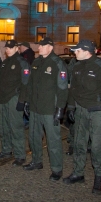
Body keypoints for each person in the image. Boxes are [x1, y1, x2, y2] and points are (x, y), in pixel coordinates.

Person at [63, 39, 101, 194]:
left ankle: (99, 177)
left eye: (78, 50)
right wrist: (71, 107)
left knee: (96, 147)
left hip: (98, 111)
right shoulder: (76, 66)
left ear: (87, 51)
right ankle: (78, 173)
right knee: (79, 143)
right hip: (81, 109)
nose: (75, 53)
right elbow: (72, 89)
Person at [22, 37, 68, 181]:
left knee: (53, 140)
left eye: (41, 46)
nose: (39, 48)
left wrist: (60, 108)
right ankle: (37, 161)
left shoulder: (57, 63)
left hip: (50, 108)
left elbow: (62, 88)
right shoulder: (36, 62)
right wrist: (27, 102)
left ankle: (56, 169)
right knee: (34, 136)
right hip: (35, 107)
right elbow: (30, 84)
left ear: (49, 47)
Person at [0, 39, 30, 166]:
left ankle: (20, 154)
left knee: (16, 127)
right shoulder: (5, 63)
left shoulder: (22, 63)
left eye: (10, 47)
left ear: (17, 48)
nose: (8, 49)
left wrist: (22, 100)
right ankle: (6, 150)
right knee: (4, 126)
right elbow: (0, 82)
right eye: (6, 48)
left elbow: (26, 83)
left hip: (14, 98)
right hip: (4, 98)